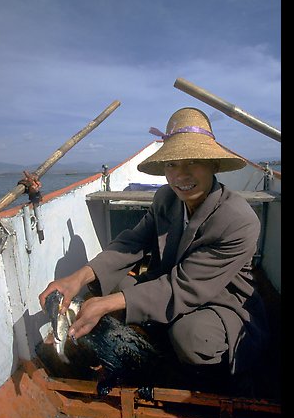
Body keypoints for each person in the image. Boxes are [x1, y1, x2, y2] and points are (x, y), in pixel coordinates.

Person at [39, 107, 268, 391]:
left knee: (192, 337)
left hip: (220, 300)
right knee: (109, 284)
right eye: (171, 164)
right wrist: (80, 276)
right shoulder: (166, 199)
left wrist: (110, 304)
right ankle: (159, 337)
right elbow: (132, 242)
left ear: (214, 165)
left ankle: (207, 381)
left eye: (193, 161)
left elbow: (184, 287)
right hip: (172, 284)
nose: (180, 175)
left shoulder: (238, 220)